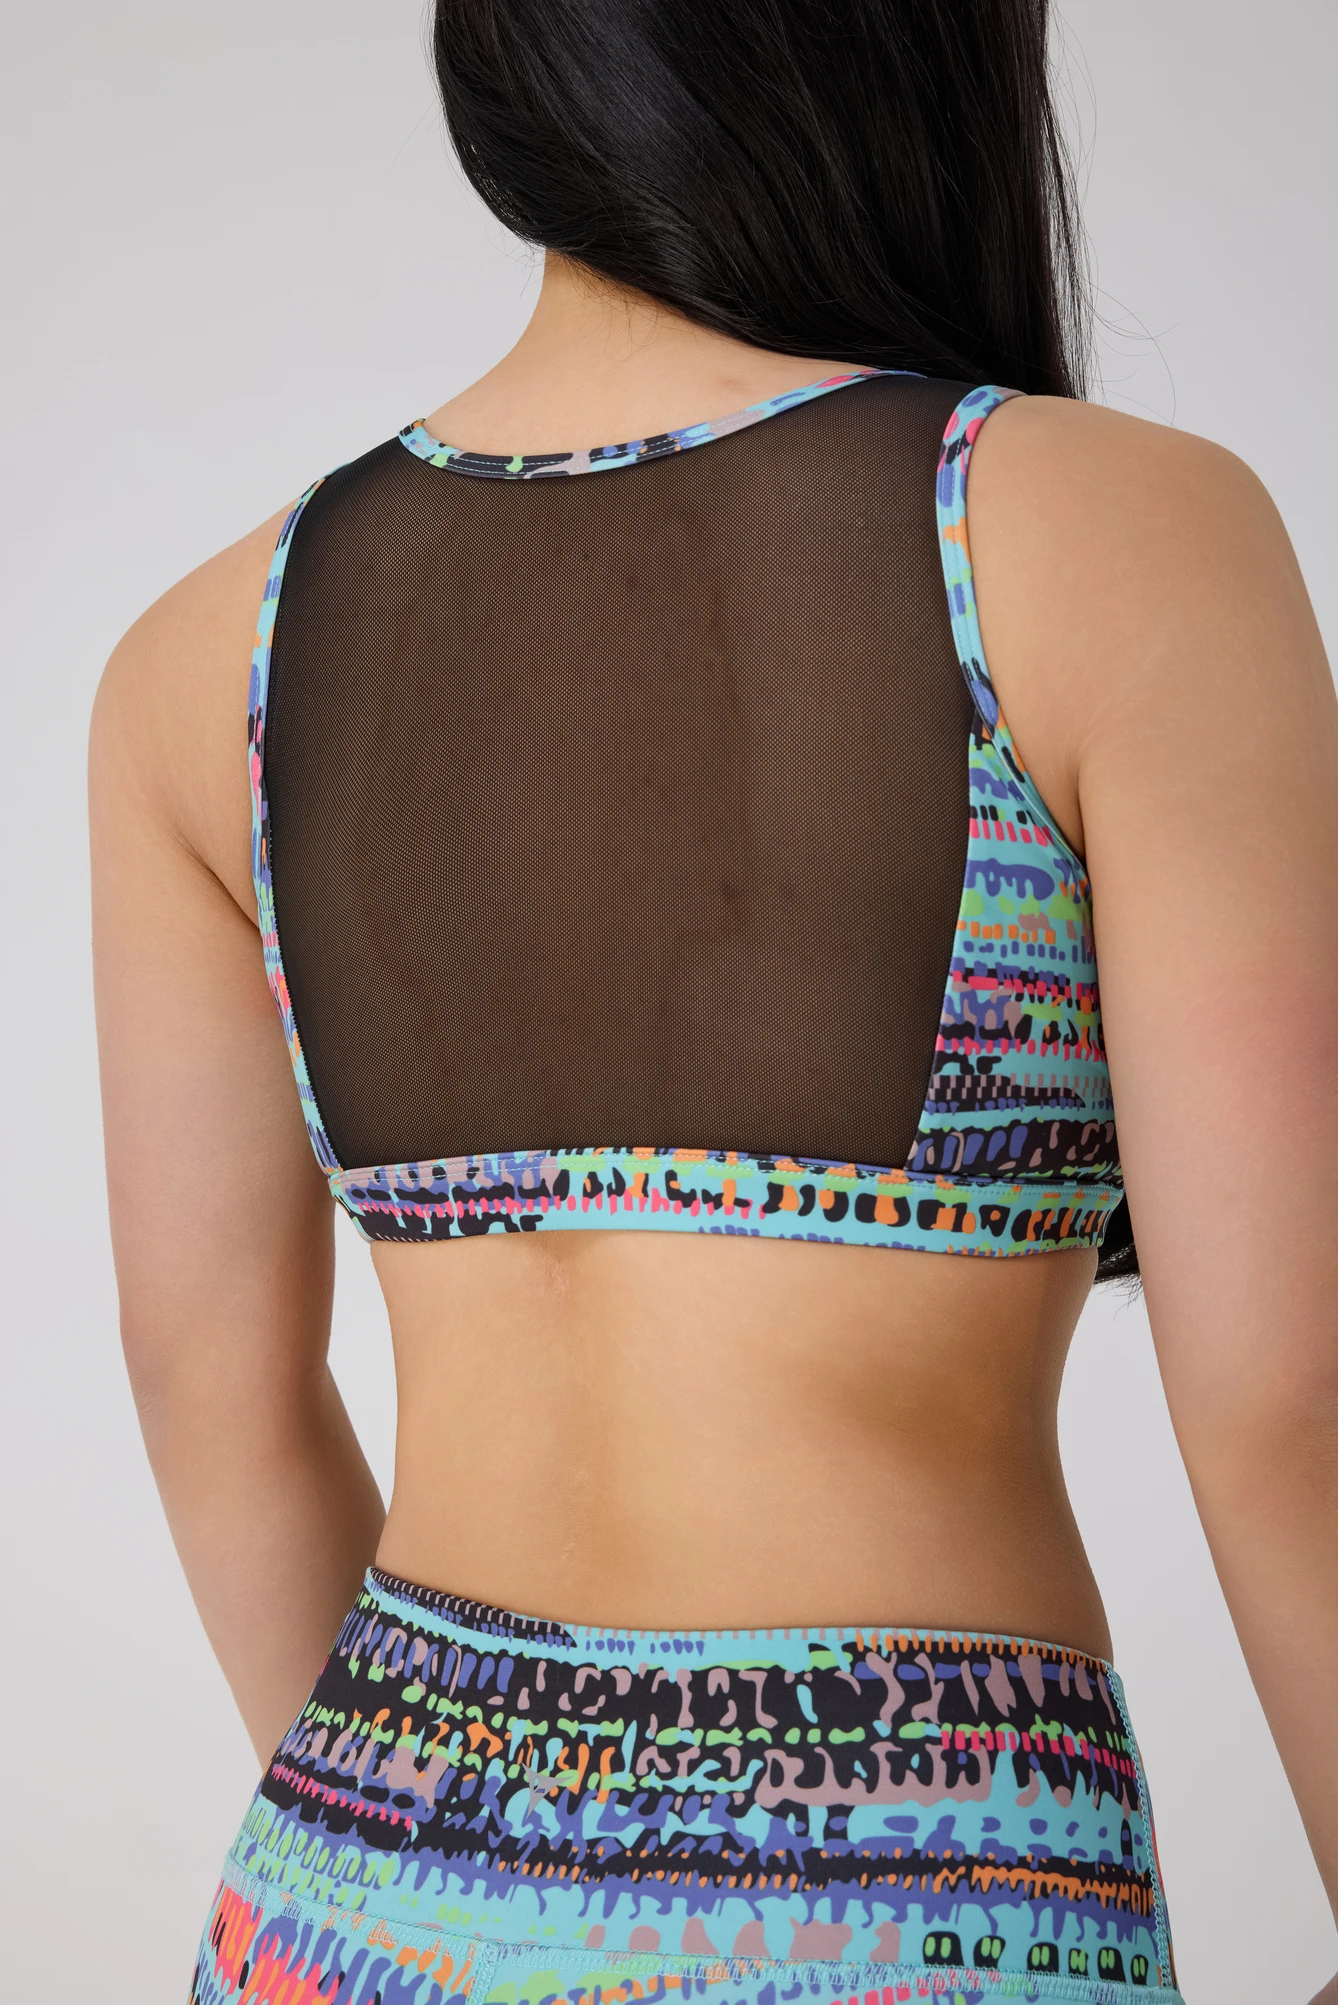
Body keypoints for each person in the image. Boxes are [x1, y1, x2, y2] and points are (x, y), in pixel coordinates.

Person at [90, 3, 1337, 2001]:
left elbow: (205, 1381)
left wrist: (453, 1889)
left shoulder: (205, 653)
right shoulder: (1109, 536)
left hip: (360, 1887)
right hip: (912, 1897)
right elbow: (1293, 1396)